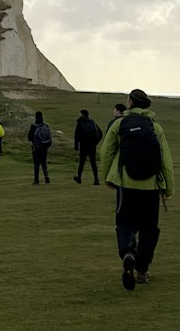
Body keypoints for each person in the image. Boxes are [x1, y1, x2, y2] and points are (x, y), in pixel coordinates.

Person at [98, 89, 174, 291]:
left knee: (125, 224)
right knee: (149, 229)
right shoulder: (155, 127)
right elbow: (165, 159)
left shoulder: (119, 124)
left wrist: (107, 177)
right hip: (150, 187)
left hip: (126, 184)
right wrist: (168, 187)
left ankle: (128, 254)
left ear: (130, 102)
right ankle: (142, 269)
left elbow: (106, 152)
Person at [73, 109, 102, 184]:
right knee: (93, 162)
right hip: (92, 146)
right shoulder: (92, 122)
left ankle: (79, 178)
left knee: (81, 162)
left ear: (82, 114)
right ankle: (96, 179)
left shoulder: (80, 122)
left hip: (83, 145)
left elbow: (76, 135)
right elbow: (100, 133)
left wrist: (76, 146)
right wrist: (95, 142)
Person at [27, 111, 53, 185]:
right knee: (44, 163)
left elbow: (29, 137)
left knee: (36, 164)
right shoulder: (46, 126)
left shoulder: (33, 126)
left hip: (36, 147)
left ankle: (36, 179)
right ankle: (46, 177)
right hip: (44, 147)